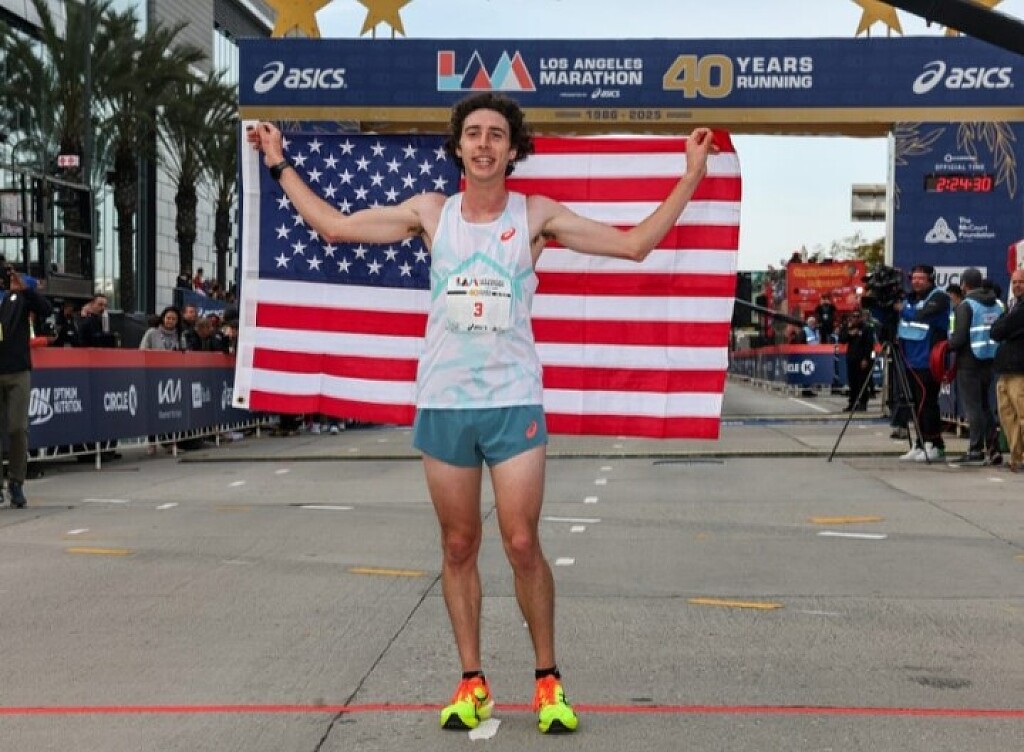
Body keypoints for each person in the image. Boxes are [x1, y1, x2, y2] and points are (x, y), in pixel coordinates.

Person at [247, 92, 716, 734]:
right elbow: (334, 226)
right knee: (458, 543)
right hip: (445, 401)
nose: (485, 143)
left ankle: (548, 681)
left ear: (513, 149)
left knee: (522, 542)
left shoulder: (535, 215)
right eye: (474, 133)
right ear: (458, 147)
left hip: (512, 399)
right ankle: (472, 681)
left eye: (497, 134)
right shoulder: (430, 213)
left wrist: (691, 175)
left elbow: (634, 245)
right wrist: (278, 162)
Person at [0, 266, 52, 507]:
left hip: (18, 371)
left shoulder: (20, 298)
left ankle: (16, 482)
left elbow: (46, 309)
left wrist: (25, 290)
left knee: (17, 428)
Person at [947, 268, 1002, 466]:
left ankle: (975, 449)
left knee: (973, 408)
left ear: (964, 285)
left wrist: (946, 346)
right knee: (985, 406)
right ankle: (993, 449)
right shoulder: (997, 304)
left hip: (969, 362)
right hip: (990, 359)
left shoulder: (966, 306)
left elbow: (959, 338)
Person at [896, 264, 950, 462]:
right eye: (914, 278)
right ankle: (919, 442)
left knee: (927, 403)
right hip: (909, 359)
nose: (916, 282)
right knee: (915, 403)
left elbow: (922, 315)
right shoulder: (909, 298)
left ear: (930, 279)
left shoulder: (939, 297)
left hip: (928, 359)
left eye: (921, 278)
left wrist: (902, 309)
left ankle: (934, 444)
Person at [991, 269, 1024, 472]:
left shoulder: (1019, 309)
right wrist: (1003, 326)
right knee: (1007, 417)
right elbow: (995, 330)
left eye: (1021, 282)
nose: (1017, 285)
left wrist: (1003, 326)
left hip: (1020, 371)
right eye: (1015, 281)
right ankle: (1016, 456)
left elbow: (1002, 328)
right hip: (1005, 369)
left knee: (1022, 415)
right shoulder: (1013, 306)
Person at [839, 309, 876, 411]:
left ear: (861, 317)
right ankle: (852, 403)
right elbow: (842, 339)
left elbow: (869, 345)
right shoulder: (848, 327)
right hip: (851, 358)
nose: (855, 319)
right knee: (852, 382)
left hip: (862, 359)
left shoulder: (867, 328)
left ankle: (863, 403)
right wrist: (849, 334)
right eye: (853, 316)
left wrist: (866, 359)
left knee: (862, 381)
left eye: (857, 316)